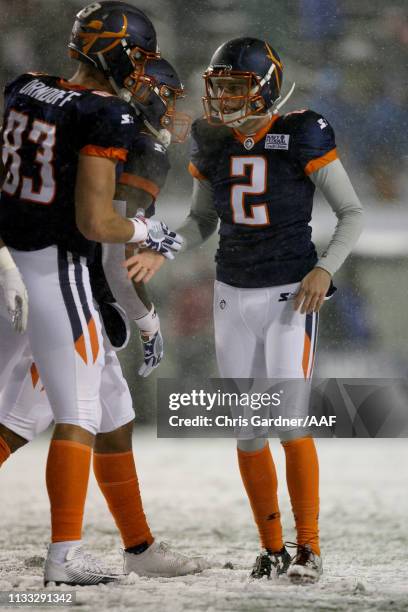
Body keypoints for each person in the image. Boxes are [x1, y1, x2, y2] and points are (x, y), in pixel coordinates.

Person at [124, 37, 364, 584]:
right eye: (220, 87)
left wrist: (325, 267)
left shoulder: (303, 131)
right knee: (248, 429)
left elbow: (351, 212)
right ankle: (271, 547)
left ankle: (309, 549)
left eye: (236, 87)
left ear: (265, 89)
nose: (224, 98)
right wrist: (163, 247)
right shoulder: (211, 140)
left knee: (287, 421)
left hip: (289, 293)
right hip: (231, 293)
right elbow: (203, 219)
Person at [0, 1, 183, 586]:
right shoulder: (110, 116)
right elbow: (96, 224)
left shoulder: (24, 87)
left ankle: (139, 546)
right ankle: (64, 560)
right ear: (116, 53)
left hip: (13, 266)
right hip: (58, 271)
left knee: (110, 409)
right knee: (73, 415)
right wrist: (148, 231)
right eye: (137, 59)